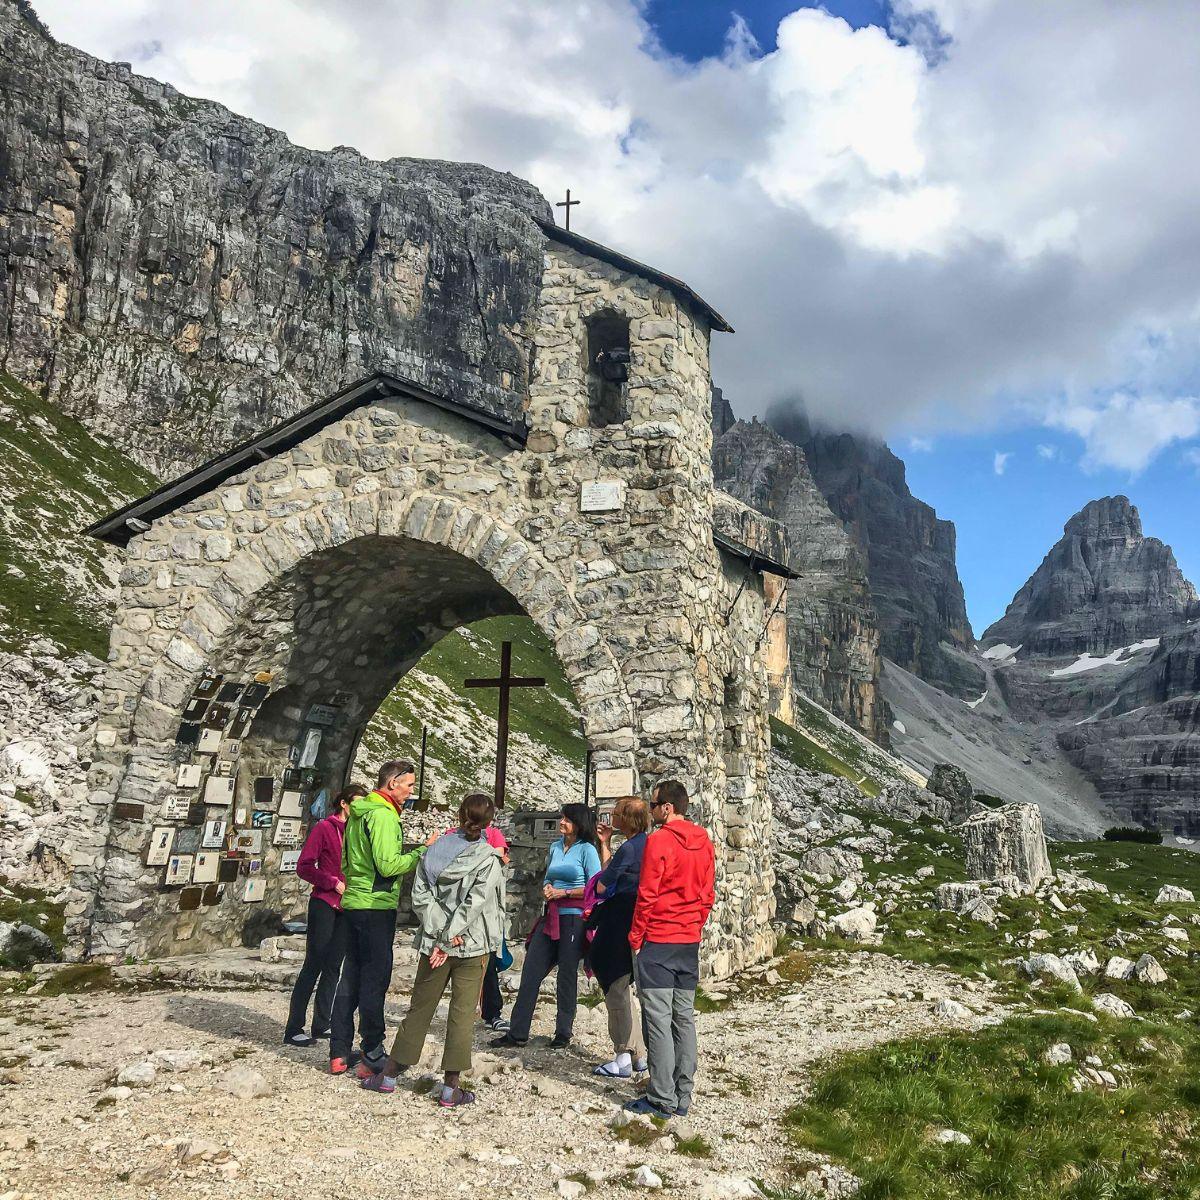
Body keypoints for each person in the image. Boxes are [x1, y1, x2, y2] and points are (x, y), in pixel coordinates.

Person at [361, 793, 506, 1107]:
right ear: (489, 822)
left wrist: (439, 935)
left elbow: (420, 897)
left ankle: (388, 1075)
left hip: (433, 943)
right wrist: (450, 937)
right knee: (462, 1014)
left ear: (459, 815)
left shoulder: (434, 850)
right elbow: (475, 904)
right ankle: (450, 1089)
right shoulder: (489, 859)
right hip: (472, 944)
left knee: (420, 1008)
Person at [328, 760, 435, 1077]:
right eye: (410, 785)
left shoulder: (358, 813)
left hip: (353, 902)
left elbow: (347, 860)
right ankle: (372, 1053)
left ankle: (338, 1052)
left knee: (350, 976)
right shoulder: (384, 816)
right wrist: (422, 851)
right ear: (392, 784)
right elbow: (388, 866)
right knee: (375, 979)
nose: (412, 791)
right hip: (376, 905)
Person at [624, 780, 715, 1119]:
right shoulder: (704, 840)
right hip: (688, 941)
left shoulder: (659, 840)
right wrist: (694, 925)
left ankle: (661, 1097)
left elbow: (647, 894)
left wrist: (636, 936)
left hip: (659, 940)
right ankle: (682, 1094)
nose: (650, 811)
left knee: (658, 1019)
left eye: (653, 805)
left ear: (667, 807)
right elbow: (707, 894)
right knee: (684, 1018)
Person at [492, 802, 601, 1050]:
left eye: (567, 819)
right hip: (550, 916)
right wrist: (548, 888)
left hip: (574, 918)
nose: (561, 822)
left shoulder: (587, 850)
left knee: (566, 975)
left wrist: (565, 893)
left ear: (579, 824)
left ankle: (563, 1032)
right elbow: (548, 877)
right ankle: (518, 1032)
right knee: (531, 970)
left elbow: (594, 887)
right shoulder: (555, 847)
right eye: (562, 818)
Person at [282, 784, 363, 1047]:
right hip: (325, 903)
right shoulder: (324, 829)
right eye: (357, 803)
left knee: (333, 967)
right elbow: (304, 866)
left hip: (347, 906)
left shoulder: (358, 831)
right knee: (314, 963)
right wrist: (331, 882)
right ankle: (294, 1027)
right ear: (344, 804)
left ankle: (322, 1023)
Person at [586, 795, 651, 1078]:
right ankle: (638, 1054)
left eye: (615, 814)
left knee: (615, 983)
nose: (611, 818)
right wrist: (606, 844)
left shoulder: (629, 849)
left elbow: (603, 885)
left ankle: (623, 1054)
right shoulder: (648, 844)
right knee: (625, 985)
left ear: (625, 819)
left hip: (619, 918)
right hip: (638, 917)